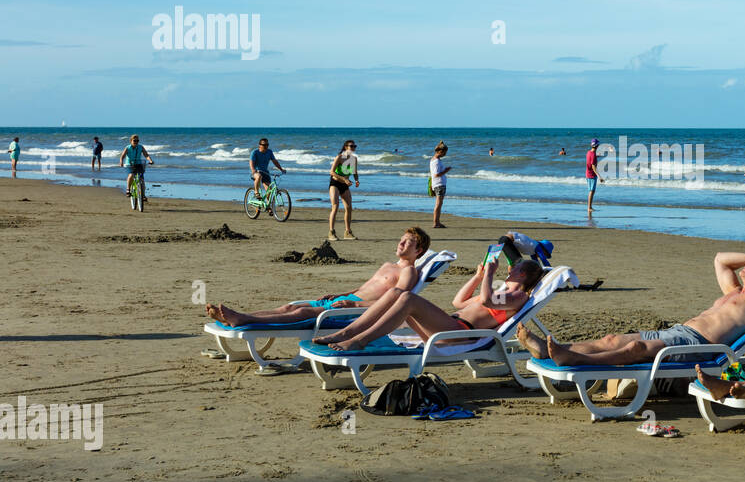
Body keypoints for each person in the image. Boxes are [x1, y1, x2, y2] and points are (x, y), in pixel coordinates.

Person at [516, 252, 745, 369]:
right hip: (679, 333)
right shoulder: (734, 291)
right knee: (612, 341)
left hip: (699, 345)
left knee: (635, 350)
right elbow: (720, 258)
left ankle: (575, 359)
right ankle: (556, 349)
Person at [312, 253, 544, 352]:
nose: (511, 269)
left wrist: (491, 275)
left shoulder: (519, 297)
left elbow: (486, 299)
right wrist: (478, 277)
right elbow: (458, 302)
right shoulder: (501, 291)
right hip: (448, 326)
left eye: (516, 268)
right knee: (395, 293)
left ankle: (359, 341)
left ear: (522, 275)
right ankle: (347, 333)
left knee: (408, 298)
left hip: (458, 334)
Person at [209, 228, 431, 326]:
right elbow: (367, 287)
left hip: (355, 311)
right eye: (401, 239)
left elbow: (395, 301)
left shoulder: (408, 271)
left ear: (418, 250)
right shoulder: (387, 265)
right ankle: (238, 316)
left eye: (407, 242)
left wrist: (355, 303)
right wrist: (344, 294)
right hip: (344, 301)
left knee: (304, 313)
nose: (400, 243)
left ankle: (243, 320)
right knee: (288, 307)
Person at [328, 139, 359, 241]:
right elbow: (331, 172)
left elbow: (354, 172)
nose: (353, 148)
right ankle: (331, 232)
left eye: (354, 146)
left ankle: (348, 232)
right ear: (346, 147)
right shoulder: (340, 157)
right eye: (351, 146)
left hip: (345, 185)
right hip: (335, 184)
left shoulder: (354, 159)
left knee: (349, 208)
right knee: (335, 206)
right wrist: (344, 179)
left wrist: (356, 180)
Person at [118, 134, 153, 201]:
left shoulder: (140, 147)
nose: (136, 142)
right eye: (134, 140)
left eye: (137, 140)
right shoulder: (127, 147)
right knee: (131, 174)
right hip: (129, 164)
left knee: (142, 179)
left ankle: (143, 195)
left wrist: (150, 160)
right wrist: (121, 162)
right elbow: (122, 155)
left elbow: (146, 155)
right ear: (131, 141)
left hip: (138, 164)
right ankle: (128, 189)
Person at [428, 141, 451, 229]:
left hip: (437, 184)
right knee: (438, 204)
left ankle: (437, 222)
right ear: (441, 151)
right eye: (445, 152)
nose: (445, 154)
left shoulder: (433, 159)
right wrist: (446, 170)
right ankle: (436, 222)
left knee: (439, 203)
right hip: (439, 184)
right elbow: (436, 174)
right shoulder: (436, 161)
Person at [585, 138, 604, 214]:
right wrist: (599, 176)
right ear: (597, 146)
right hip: (592, 175)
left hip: (587, 174)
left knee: (591, 191)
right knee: (592, 191)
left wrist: (597, 156)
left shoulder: (589, 152)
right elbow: (593, 167)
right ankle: (589, 208)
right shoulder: (593, 155)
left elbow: (591, 158)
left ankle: (589, 207)